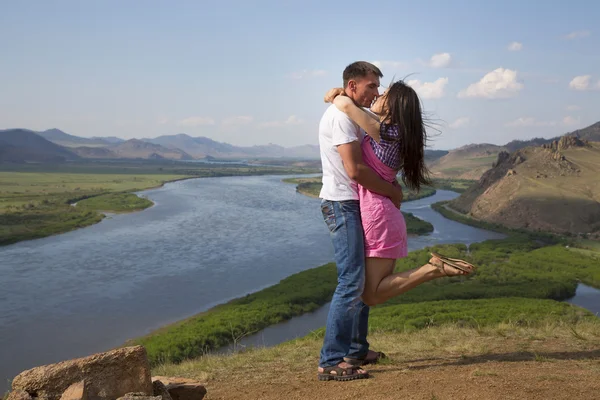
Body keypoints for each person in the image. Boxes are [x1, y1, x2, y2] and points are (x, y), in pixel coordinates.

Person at [317, 63, 476, 382]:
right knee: (358, 282)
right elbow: (346, 107)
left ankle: (334, 359)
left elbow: (355, 162)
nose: (377, 92)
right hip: (373, 208)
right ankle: (355, 349)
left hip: (376, 211)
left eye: (382, 91)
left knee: (361, 288)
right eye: (373, 86)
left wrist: (339, 96)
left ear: (392, 107)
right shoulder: (379, 124)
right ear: (353, 84)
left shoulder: (383, 128)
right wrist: (340, 96)